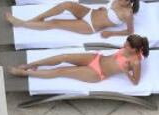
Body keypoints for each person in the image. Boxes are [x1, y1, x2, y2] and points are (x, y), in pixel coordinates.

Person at [8, 34, 149, 83]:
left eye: (127, 45)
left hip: (97, 73)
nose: (124, 45)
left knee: (61, 71)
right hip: (96, 58)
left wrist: (125, 72)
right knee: (65, 56)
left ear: (135, 50)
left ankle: (23, 73)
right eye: (125, 42)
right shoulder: (128, 47)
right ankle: (30, 65)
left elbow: (136, 82)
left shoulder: (135, 62)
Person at [6, 0, 140, 37]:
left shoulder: (128, 15)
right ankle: (37, 18)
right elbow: (111, 11)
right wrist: (105, 9)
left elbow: (129, 31)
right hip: (90, 12)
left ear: (128, 2)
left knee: (55, 22)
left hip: (91, 26)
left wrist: (110, 33)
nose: (117, 0)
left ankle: (22, 23)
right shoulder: (118, 1)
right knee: (67, 4)